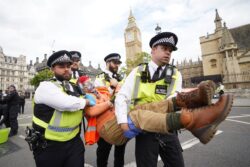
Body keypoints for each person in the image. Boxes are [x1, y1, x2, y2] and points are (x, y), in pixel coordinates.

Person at [80, 76, 231, 148]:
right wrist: (110, 101)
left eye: (90, 82)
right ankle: (190, 120)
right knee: (136, 115)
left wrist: (116, 90)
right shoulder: (86, 98)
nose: (89, 85)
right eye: (85, 84)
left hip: (119, 122)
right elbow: (92, 112)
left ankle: (185, 101)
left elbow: (118, 100)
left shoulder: (103, 91)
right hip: (110, 130)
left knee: (143, 108)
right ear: (81, 87)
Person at [29, 50, 96, 167]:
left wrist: (92, 95)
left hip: (74, 143)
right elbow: (66, 103)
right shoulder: (45, 86)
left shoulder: (74, 86)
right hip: (49, 146)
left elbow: (92, 94)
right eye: (61, 66)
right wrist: (86, 101)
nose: (66, 69)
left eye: (68, 66)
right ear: (52, 69)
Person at [94, 53, 126, 167]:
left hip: (120, 117)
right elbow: (99, 99)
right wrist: (112, 87)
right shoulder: (100, 78)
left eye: (118, 63)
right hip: (106, 119)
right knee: (104, 150)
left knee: (120, 150)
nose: (117, 65)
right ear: (107, 63)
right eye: (114, 62)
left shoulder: (121, 77)